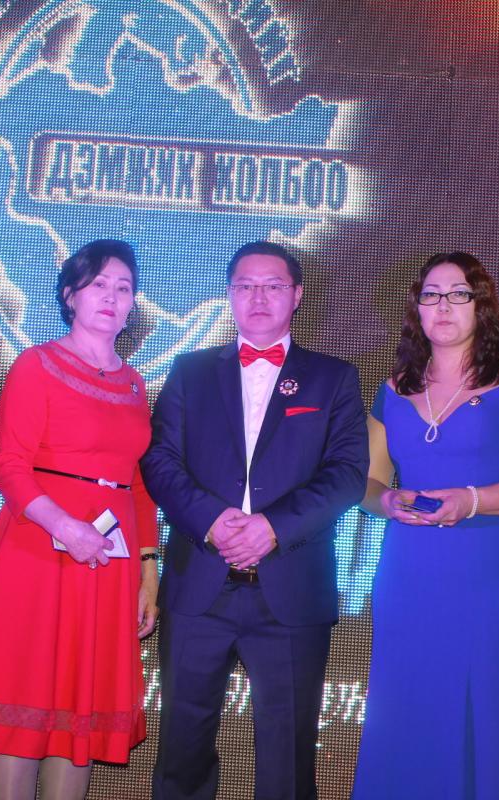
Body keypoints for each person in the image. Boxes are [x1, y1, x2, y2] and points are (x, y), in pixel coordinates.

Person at [141, 241, 368, 800]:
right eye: (245, 286)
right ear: (229, 294)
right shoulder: (190, 371)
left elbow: (346, 474)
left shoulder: (332, 378)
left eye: (272, 286)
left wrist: (272, 528)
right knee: (181, 750)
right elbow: (159, 461)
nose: (258, 297)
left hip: (290, 588)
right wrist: (212, 521)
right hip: (199, 586)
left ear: (297, 295)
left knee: (288, 759)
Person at [0, 240, 160, 800]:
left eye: (124, 288)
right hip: (38, 552)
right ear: (69, 295)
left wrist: (148, 569)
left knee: (78, 714)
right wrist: (67, 528)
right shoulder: (36, 364)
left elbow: (137, 484)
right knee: (25, 702)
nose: (111, 296)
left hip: (106, 567)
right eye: (98, 284)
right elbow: (9, 467)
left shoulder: (136, 384)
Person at [350, 252, 499, 798]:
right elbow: (366, 482)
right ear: (416, 309)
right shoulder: (394, 389)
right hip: (408, 573)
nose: (443, 306)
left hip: (486, 575)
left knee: (481, 710)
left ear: (481, 305)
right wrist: (387, 501)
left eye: (458, 294)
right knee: (404, 707)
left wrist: (472, 500)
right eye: (431, 295)